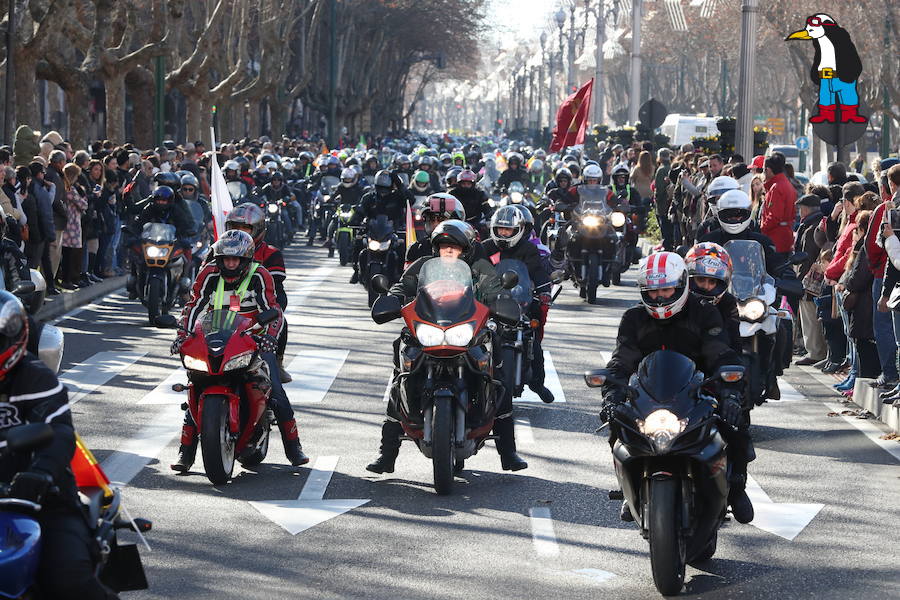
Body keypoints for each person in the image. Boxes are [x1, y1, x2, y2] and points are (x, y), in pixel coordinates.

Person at [600, 252, 753, 524]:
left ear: (681, 285)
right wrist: (611, 394)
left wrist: (730, 391)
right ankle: (629, 487)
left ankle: (737, 487)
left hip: (697, 391)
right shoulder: (633, 318)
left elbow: (719, 351)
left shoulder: (705, 313)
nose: (659, 297)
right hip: (647, 395)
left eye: (666, 289)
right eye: (653, 291)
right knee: (616, 421)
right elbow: (621, 359)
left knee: (735, 422)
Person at [366, 220, 527, 473]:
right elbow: (403, 285)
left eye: (454, 247)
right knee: (400, 378)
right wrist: (393, 298)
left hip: (470, 331)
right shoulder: (422, 266)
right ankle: (387, 455)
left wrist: (500, 300)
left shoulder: (480, 267)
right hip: (429, 329)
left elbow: (495, 289)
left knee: (499, 380)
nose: (449, 251)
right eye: (443, 246)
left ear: (467, 248)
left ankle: (508, 452)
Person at [0, 291, 121, 598]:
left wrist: (38, 474)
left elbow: (59, 434)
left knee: (68, 579)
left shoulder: (35, 377)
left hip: (39, 498)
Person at [171, 230, 308, 470]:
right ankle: (186, 451)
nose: (231, 264)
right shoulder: (208, 274)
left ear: (246, 260)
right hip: (215, 338)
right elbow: (194, 306)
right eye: (226, 259)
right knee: (195, 383)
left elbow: (274, 311)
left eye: (236, 259)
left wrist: (269, 339)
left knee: (274, 389)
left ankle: (293, 446)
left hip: (253, 339)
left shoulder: (260, 275)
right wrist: (182, 334)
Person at [482, 205, 554, 403]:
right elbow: (473, 270)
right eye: (500, 229)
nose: (504, 233)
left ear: (519, 230)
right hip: (490, 302)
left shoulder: (528, 249)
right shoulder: (486, 247)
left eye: (508, 230)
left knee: (534, 342)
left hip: (520, 300)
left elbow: (538, 272)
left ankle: (537, 383)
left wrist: (544, 291)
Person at [404, 193, 467, 263]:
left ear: (455, 220)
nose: (435, 224)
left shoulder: (470, 247)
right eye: (431, 219)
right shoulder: (417, 249)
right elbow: (410, 273)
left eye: (441, 219)